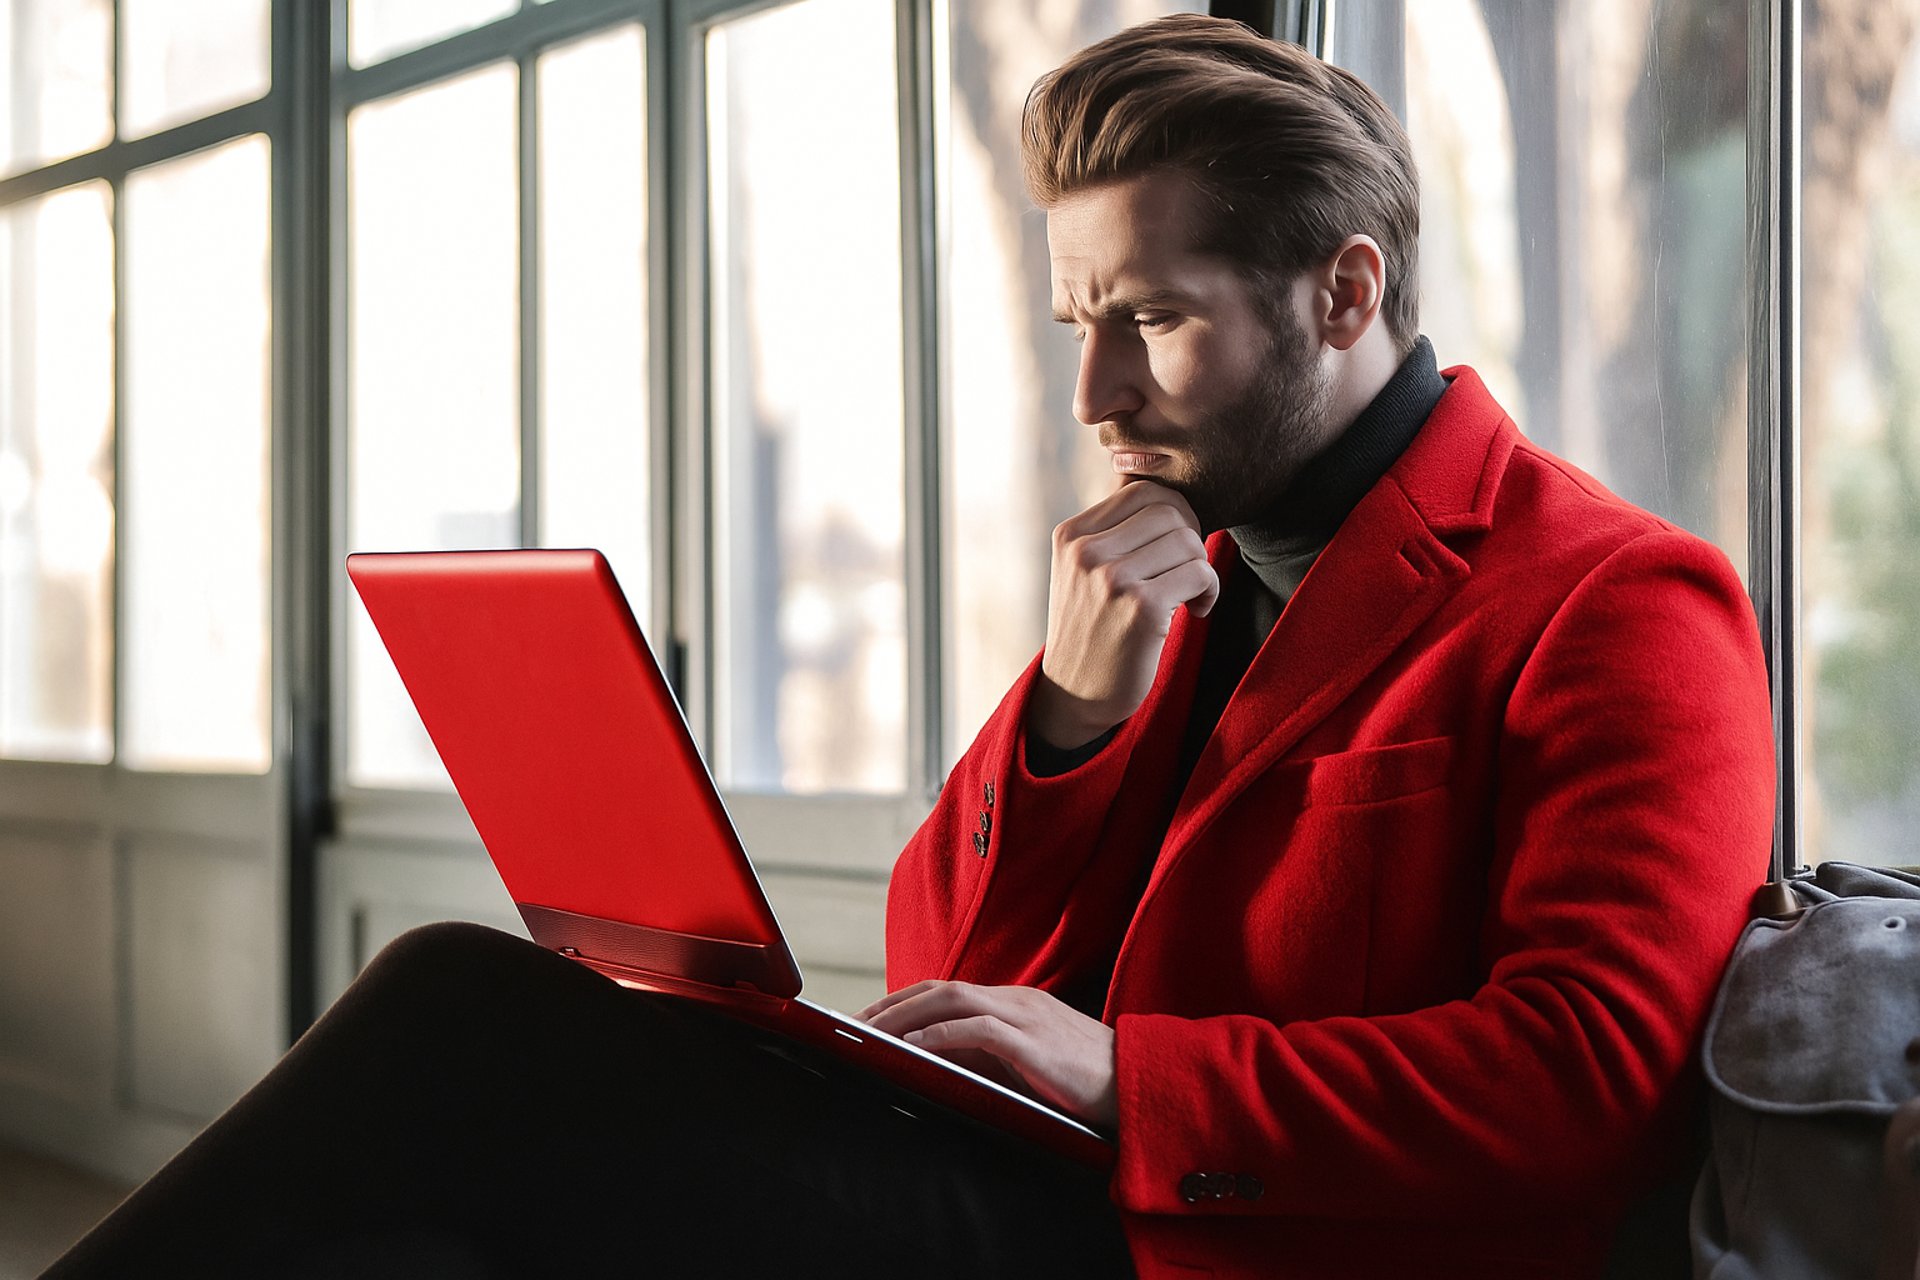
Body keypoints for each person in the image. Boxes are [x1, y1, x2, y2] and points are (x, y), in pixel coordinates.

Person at [48, 14, 1773, 1280]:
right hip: (1023, 1203)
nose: (1097, 396)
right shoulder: (1162, 563)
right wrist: (1078, 722)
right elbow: (941, 963)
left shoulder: (1616, 601)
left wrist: (1134, 1081)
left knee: (458, 1035)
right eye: (1081, 324)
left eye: (1155, 324)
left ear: (1343, 293)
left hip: (1231, 1247)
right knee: (441, 1162)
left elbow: (1594, 1079)